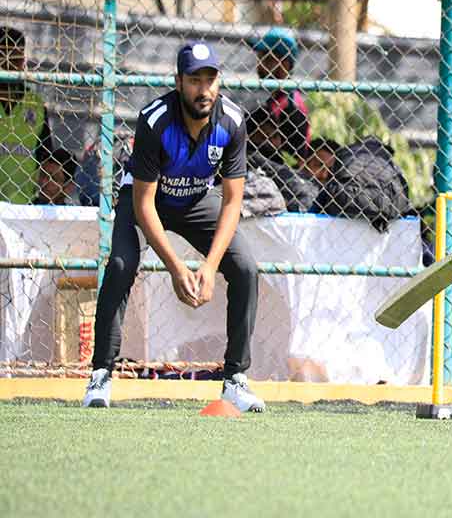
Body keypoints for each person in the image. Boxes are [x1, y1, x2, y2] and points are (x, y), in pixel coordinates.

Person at [84, 41, 264, 412]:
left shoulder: (232, 121)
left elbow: (232, 202)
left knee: (245, 267)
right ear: (178, 82)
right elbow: (144, 204)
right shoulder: (155, 121)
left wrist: (210, 267)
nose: (204, 89)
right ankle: (100, 375)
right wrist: (176, 267)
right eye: (195, 80)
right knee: (120, 264)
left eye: (210, 79)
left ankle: (235, 379)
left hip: (197, 199)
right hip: (147, 200)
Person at [0, 26, 53, 204]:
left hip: (24, 203)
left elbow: (46, 155)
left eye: (15, 58)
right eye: (3, 57)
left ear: (22, 61)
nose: (8, 64)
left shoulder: (34, 104)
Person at [249, 27, 311, 160]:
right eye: (260, 58)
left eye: (267, 59)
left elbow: (293, 157)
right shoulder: (276, 99)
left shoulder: (291, 107)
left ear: (285, 65)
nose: (260, 65)